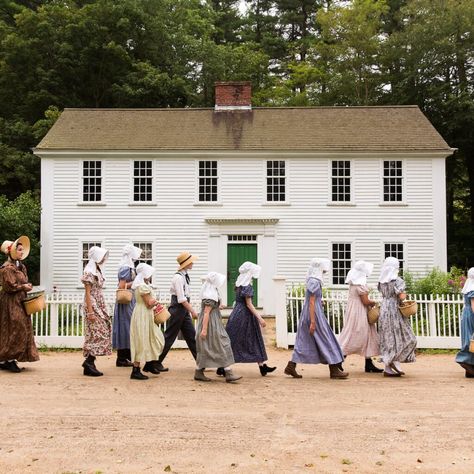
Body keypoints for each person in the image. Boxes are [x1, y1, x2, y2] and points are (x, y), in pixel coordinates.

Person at [284, 258, 348, 379]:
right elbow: (312, 302)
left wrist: (320, 302)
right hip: (314, 314)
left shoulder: (312, 279)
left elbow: (312, 300)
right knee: (326, 339)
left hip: (309, 312)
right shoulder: (315, 281)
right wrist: (313, 321)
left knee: (304, 341)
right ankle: (334, 369)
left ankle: (291, 366)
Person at [225, 262, 276, 376]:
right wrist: (260, 318)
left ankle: (262, 366)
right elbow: (249, 304)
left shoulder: (239, 285)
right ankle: (223, 366)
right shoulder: (247, 286)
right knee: (241, 341)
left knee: (249, 339)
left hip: (236, 314)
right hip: (244, 316)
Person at [0, 236, 39, 372]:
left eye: (22, 250)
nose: (22, 252)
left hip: (20, 301)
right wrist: (23, 287)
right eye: (19, 250)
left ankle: (7, 359)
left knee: (18, 328)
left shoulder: (20, 266)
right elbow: (9, 287)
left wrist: (26, 285)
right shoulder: (7, 268)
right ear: (12, 251)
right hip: (11, 302)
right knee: (15, 327)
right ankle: (9, 360)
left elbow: (21, 282)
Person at [155, 252, 199, 372]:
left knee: (191, 336)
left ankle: (201, 362)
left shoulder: (184, 276)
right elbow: (181, 299)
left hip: (183, 310)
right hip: (178, 309)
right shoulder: (178, 278)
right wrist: (193, 311)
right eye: (191, 261)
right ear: (186, 263)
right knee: (169, 337)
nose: (193, 263)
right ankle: (155, 362)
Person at [194, 272, 241, 383]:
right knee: (222, 343)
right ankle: (228, 373)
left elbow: (210, 310)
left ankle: (199, 371)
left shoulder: (212, 291)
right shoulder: (209, 294)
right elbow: (206, 312)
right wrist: (204, 330)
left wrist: (218, 307)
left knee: (210, 346)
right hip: (210, 324)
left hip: (213, 321)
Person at [338, 260, 383, 373]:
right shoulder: (360, 285)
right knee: (356, 335)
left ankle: (369, 364)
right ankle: (338, 361)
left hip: (353, 310)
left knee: (367, 335)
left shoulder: (353, 283)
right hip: (360, 312)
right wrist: (374, 302)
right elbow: (365, 301)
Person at [377, 257, 416, 377]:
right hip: (394, 309)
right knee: (406, 336)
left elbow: (382, 293)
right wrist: (405, 294)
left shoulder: (381, 280)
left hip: (384, 309)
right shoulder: (397, 281)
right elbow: (402, 297)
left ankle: (389, 367)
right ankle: (395, 360)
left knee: (388, 337)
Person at [129, 263, 165, 380]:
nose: (150, 276)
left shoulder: (142, 285)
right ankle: (136, 369)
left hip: (143, 314)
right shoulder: (142, 287)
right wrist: (156, 301)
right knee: (141, 339)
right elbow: (148, 304)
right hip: (142, 314)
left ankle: (148, 364)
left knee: (150, 337)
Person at [81, 246, 111, 377]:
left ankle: (90, 362)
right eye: (102, 256)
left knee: (101, 331)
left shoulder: (97, 269)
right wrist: (90, 311)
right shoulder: (89, 271)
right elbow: (87, 293)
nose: (104, 259)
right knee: (98, 332)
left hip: (99, 302)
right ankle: (89, 362)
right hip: (92, 303)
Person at [113, 244, 142, 367]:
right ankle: (122, 358)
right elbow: (121, 286)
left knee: (128, 327)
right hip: (126, 301)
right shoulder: (125, 268)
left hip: (130, 300)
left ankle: (125, 356)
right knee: (126, 327)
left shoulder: (129, 267)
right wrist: (136, 283)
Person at [455, 267, 474, 378]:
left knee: (468, 338)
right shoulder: (473, 288)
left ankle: (470, 369)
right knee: (471, 339)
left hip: (466, 314)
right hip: (471, 315)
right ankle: (464, 360)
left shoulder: (468, 287)